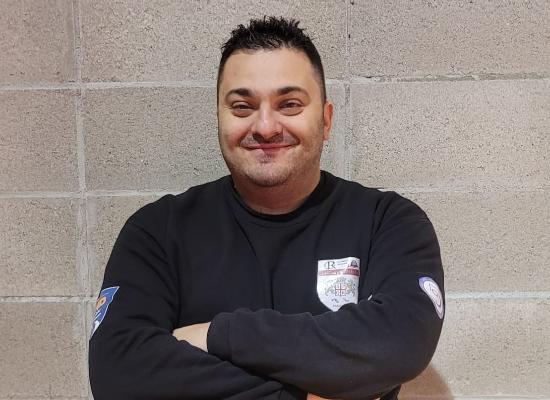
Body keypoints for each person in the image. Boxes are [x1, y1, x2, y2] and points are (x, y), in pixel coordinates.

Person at [89, 17, 445, 400]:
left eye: (289, 104)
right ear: (219, 119)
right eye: (242, 106)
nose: (265, 126)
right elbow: (119, 372)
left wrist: (218, 335)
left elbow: (398, 342)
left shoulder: (389, 223)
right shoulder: (157, 232)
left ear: (326, 120)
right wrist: (308, 395)